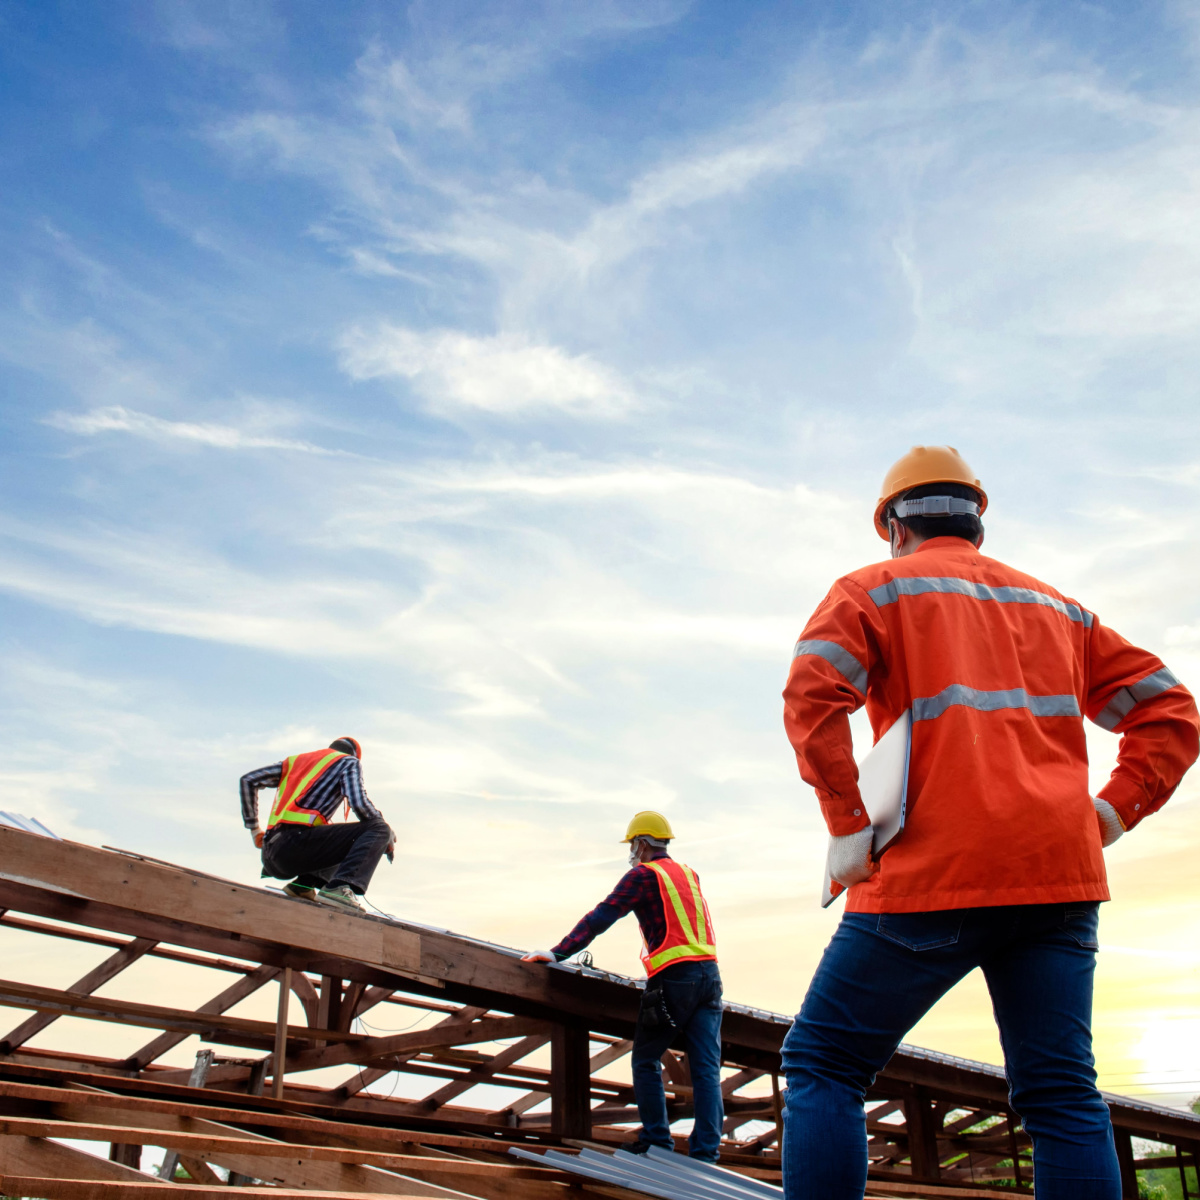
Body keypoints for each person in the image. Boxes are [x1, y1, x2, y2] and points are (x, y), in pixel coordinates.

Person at [780, 446, 1199, 1200]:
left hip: (929, 878)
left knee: (825, 1065)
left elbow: (812, 697)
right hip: (1058, 882)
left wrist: (846, 823)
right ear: (975, 520)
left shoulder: (872, 590)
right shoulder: (1058, 609)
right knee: (1063, 1096)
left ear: (893, 526)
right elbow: (1171, 711)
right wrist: (1114, 811)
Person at [521, 812, 725, 1162]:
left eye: (633, 846)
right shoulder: (689, 874)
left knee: (645, 1059)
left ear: (643, 844)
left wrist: (557, 953)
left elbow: (604, 914)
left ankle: (657, 1140)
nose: (632, 853)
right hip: (711, 977)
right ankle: (707, 1151)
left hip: (676, 978)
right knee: (706, 1067)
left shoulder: (643, 876)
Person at [240, 737, 394, 914]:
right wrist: (383, 832)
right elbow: (359, 804)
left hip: (271, 854)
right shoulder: (347, 762)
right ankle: (339, 888)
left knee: (334, 833)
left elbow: (248, 780)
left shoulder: (295, 762)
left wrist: (254, 829)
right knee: (378, 828)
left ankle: (302, 885)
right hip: (295, 845)